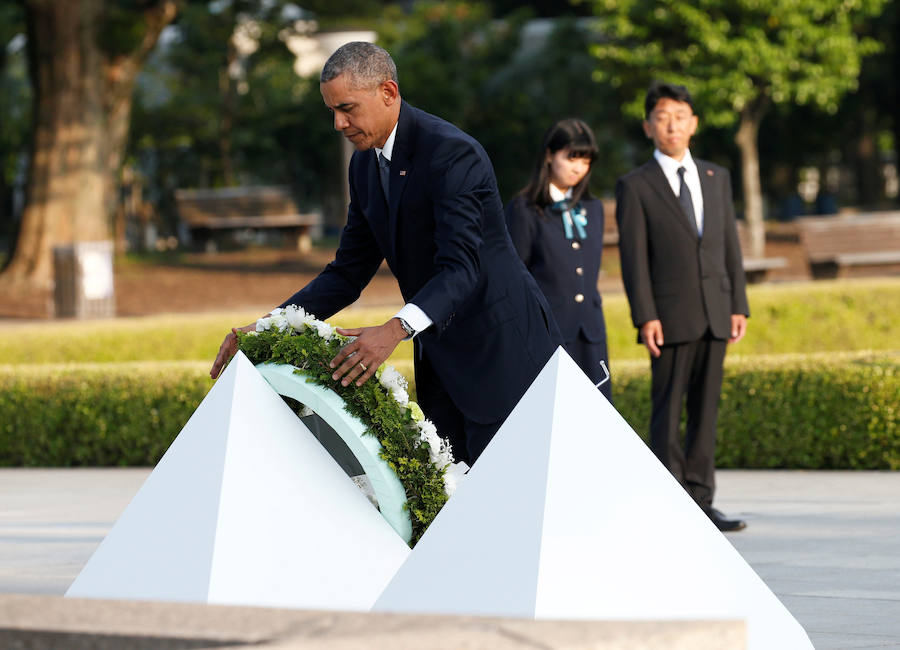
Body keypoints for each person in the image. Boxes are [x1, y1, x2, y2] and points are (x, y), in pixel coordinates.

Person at [210, 42, 561, 466]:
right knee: (458, 502)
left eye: (347, 108)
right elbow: (346, 273)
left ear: (388, 92)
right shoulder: (363, 165)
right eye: (332, 111)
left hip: (503, 348)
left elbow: (461, 268)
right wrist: (268, 328)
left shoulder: (451, 153)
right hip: (441, 357)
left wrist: (394, 329)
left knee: (512, 495)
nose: (338, 123)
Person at [615, 81, 750, 532]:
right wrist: (645, 315)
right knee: (668, 410)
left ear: (694, 123)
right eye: (662, 116)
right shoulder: (635, 186)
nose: (672, 124)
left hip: (716, 310)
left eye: (680, 115)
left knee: (706, 411)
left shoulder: (716, 176)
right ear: (648, 126)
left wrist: (739, 305)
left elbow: (729, 244)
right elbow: (634, 259)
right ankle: (671, 502)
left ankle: (702, 501)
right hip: (669, 318)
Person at [505, 119, 612, 402]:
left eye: (586, 160)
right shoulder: (525, 209)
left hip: (591, 334)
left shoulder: (593, 208)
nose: (579, 167)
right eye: (572, 157)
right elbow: (514, 278)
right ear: (550, 155)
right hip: (548, 334)